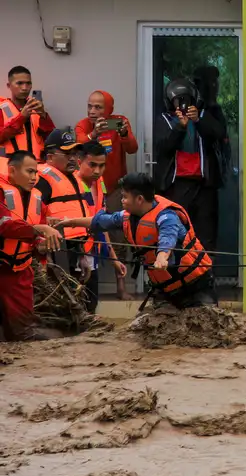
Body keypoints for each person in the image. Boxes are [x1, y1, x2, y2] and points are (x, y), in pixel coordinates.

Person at [55, 172, 216, 310]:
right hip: (166, 289)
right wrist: (70, 222)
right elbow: (100, 221)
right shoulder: (126, 217)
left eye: (124, 197)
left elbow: (168, 238)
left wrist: (162, 257)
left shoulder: (167, 216)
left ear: (139, 199)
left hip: (195, 285)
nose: (122, 201)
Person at [75, 90, 138, 300]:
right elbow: (80, 147)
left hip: (115, 191)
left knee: (120, 238)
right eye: (90, 106)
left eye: (98, 107)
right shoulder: (83, 125)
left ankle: (121, 287)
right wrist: (94, 134)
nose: (92, 111)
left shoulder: (119, 122)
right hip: (89, 189)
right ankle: (84, 290)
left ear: (109, 109)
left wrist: (123, 134)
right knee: (85, 236)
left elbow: (132, 148)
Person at [34, 129, 105, 312]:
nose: (73, 158)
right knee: (58, 302)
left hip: (74, 248)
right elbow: (34, 218)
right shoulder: (41, 181)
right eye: (67, 153)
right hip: (55, 251)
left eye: (74, 153)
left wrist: (82, 255)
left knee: (79, 299)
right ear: (50, 156)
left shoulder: (75, 178)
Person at [153, 78, 225, 252]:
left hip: (203, 185)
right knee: (177, 231)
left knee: (206, 233)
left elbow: (219, 134)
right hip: (176, 185)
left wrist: (199, 120)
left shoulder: (202, 116)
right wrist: (180, 127)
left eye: (186, 99)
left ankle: (206, 274)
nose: (182, 104)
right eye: (178, 100)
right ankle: (179, 273)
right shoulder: (164, 120)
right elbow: (164, 148)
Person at [0, 151, 62, 341]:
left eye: (36, 172)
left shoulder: (37, 200)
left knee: (23, 332)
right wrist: (39, 229)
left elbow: (38, 235)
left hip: (20, 270)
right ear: (12, 170)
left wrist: (42, 245)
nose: (34, 177)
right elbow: (4, 225)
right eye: (29, 172)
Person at [0, 66, 56, 159]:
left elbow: (52, 139)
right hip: (11, 165)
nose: (25, 88)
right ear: (9, 86)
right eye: (20, 83)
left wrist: (43, 116)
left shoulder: (36, 107)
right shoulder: (2, 109)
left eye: (28, 83)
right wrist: (21, 117)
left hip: (37, 164)